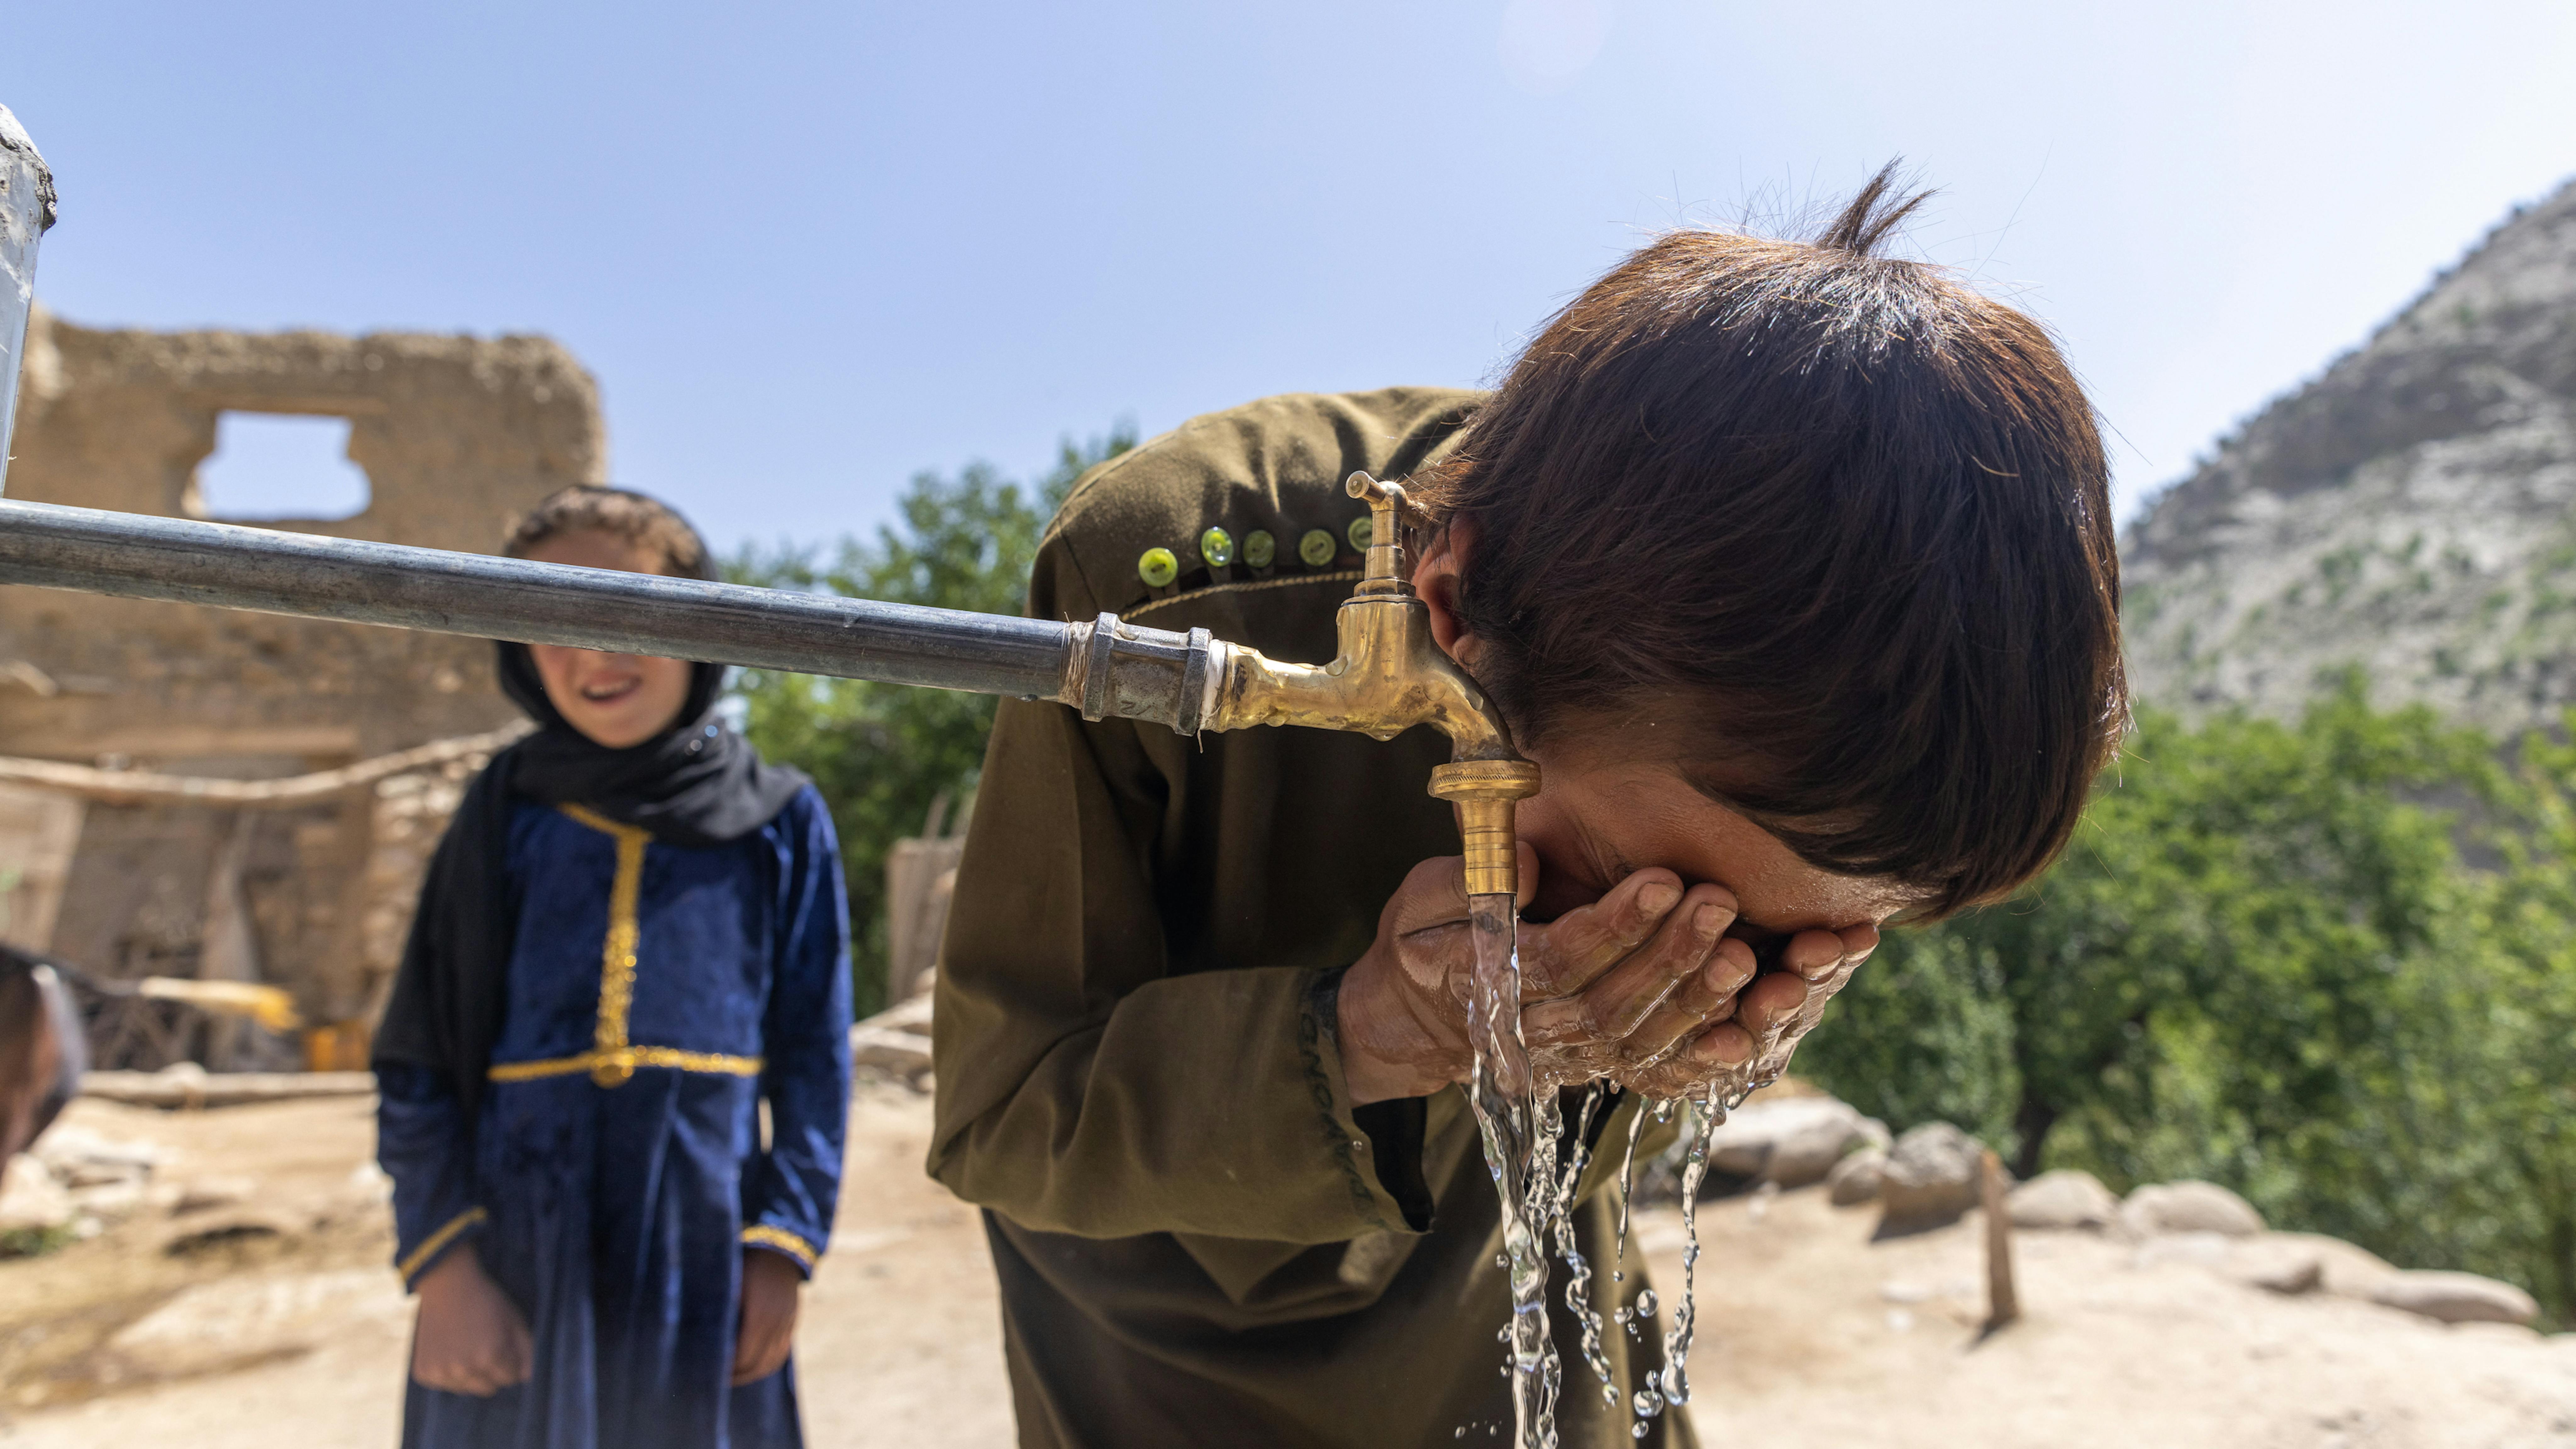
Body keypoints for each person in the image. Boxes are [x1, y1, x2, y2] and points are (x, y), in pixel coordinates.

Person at [929, 169, 2128, 1447]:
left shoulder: (1823, 703)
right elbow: (1003, 1112)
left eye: (1794, 944)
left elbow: (1613, 1117)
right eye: (1644, 892)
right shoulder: (1173, 589)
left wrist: (1697, 1046)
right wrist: (1369, 1033)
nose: (1710, 958)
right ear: (1453, 609)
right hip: (1179, 1374)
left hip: (1547, 1345)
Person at [372, 486, 853, 1449]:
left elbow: (814, 1060)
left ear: (701, 618)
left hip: (702, 1248)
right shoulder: (503, 812)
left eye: (629, 611)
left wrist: (784, 1253)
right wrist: (445, 1270)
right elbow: (419, 1056)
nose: (595, 652)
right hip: (518, 1252)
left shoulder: (780, 818)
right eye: (555, 616)